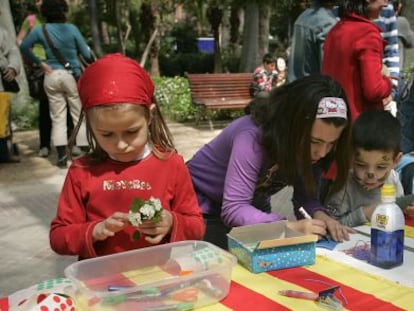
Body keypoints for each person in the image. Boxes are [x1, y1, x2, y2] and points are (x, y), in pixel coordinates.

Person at [49, 54, 205, 259]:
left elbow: (197, 227)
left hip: (157, 277)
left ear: (149, 116)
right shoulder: (82, 171)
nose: (121, 144)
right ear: (90, 124)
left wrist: (171, 222)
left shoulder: (171, 165)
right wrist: (94, 230)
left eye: (131, 132)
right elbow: (59, 237)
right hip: (101, 281)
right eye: (106, 134)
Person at [187, 74, 355, 249]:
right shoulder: (251, 137)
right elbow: (234, 208)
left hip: (252, 213)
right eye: (314, 142)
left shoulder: (315, 150)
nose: (321, 153)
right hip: (199, 211)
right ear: (291, 126)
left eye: (331, 144)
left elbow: (306, 198)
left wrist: (321, 216)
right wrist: (287, 227)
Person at [20, 0, 92, 168]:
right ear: (64, 11)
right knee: (78, 113)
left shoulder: (40, 30)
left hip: (51, 75)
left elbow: (24, 47)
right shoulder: (72, 29)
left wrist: (40, 63)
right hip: (71, 75)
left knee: (57, 116)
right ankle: (84, 150)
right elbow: (86, 55)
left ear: (45, 12)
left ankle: (61, 156)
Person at [325, 110, 414, 226]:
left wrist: (406, 210)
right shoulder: (343, 186)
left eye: (380, 167)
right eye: (361, 165)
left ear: (396, 161)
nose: (370, 174)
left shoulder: (393, 179)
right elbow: (330, 228)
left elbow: (396, 211)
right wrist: (364, 214)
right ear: (351, 157)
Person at [322, 0, 393, 121]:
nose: (386, 4)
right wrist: (388, 82)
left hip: (334, 122)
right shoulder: (367, 33)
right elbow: (374, 90)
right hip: (361, 126)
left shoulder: (335, 31)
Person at [16, 0, 52, 158]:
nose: (40, 3)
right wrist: (30, 57)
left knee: (64, 106)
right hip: (39, 67)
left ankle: (70, 143)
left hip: (57, 64)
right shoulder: (30, 20)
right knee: (45, 107)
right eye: (37, 0)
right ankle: (45, 145)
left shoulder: (56, 17)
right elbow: (19, 40)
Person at [287, 0, 338, 83]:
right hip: (314, 89)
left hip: (296, 87)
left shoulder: (302, 17)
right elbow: (328, 69)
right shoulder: (327, 23)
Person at [0, 21, 21, 163]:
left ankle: (4, 153)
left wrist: (13, 67)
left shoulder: (1, 32)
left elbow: (12, 51)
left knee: (3, 118)